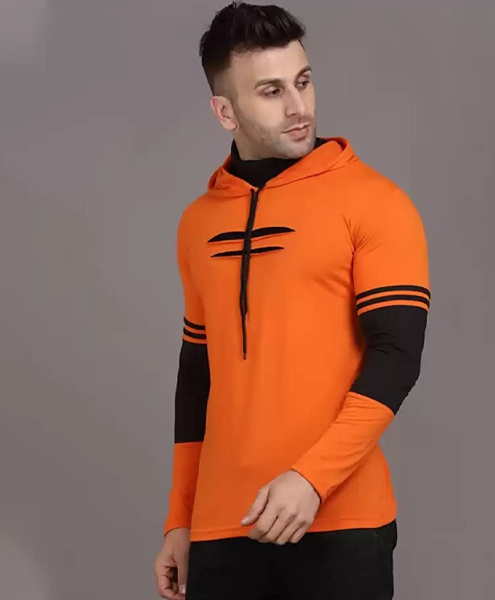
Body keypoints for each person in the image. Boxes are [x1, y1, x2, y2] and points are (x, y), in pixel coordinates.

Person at [154, 2, 431, 599]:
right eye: (271, 91)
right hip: (223, 527)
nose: (298, 106)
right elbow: (196, 377)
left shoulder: (377, 203)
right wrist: (181, 517)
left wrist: (311, 479)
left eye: (302, 82)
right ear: (224, 111)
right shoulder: (197, 224)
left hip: (341, 522)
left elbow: (396, 357)